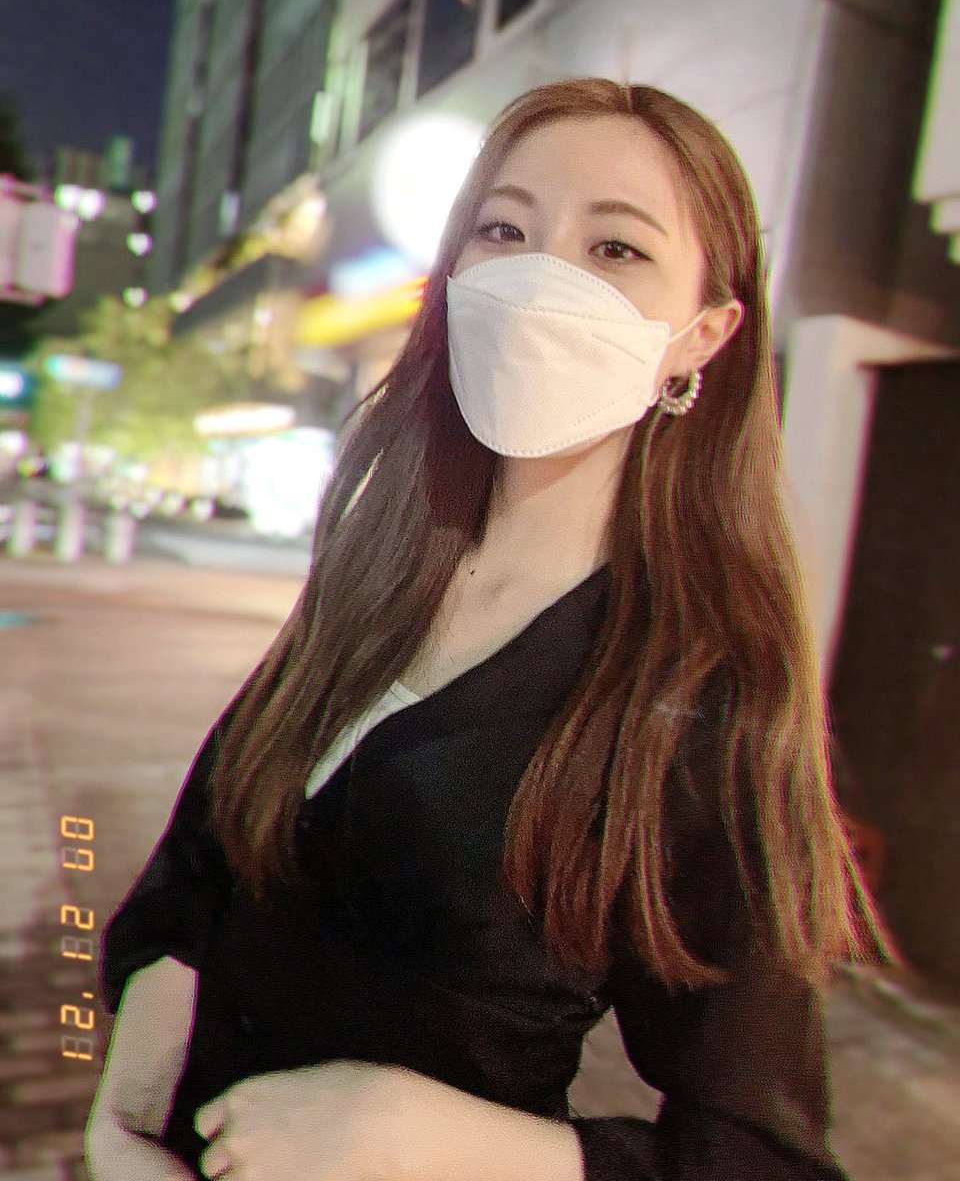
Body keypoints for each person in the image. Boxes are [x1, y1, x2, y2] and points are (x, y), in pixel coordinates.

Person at [86, 78, 885, 1181]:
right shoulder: (381, 561)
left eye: (615, 250)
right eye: (504, 230)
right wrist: (123, 1102)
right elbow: (207, 852)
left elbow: (765, 1156)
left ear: (701, 337)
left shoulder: (699, 696)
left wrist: (435, 1136)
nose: (539, 278)